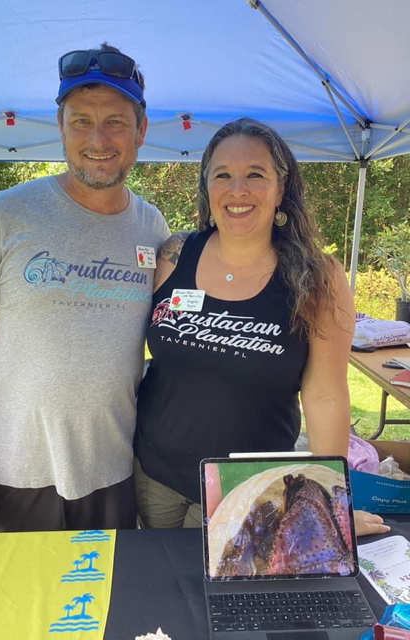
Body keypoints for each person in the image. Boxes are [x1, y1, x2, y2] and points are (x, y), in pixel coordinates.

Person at [0, 44, 170, 532]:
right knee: (16, 605)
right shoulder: (7, 214)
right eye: (80, 121)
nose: (98, 138)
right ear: (60, 128)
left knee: (103, 605)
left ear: (141, 131)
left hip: (113, 470)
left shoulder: (153, 227)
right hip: (13, 471)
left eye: (115, 121)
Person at [134, 116, 357, 529]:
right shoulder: (173, 256)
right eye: (223, 175)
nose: (238, 191)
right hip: (153, 476)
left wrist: (332, 503)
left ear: (281, 188)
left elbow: (326, 396)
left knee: (219, 596)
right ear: (207, 188)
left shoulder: (318, 278)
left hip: (245, 490)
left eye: (255, 174)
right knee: (154, 588)